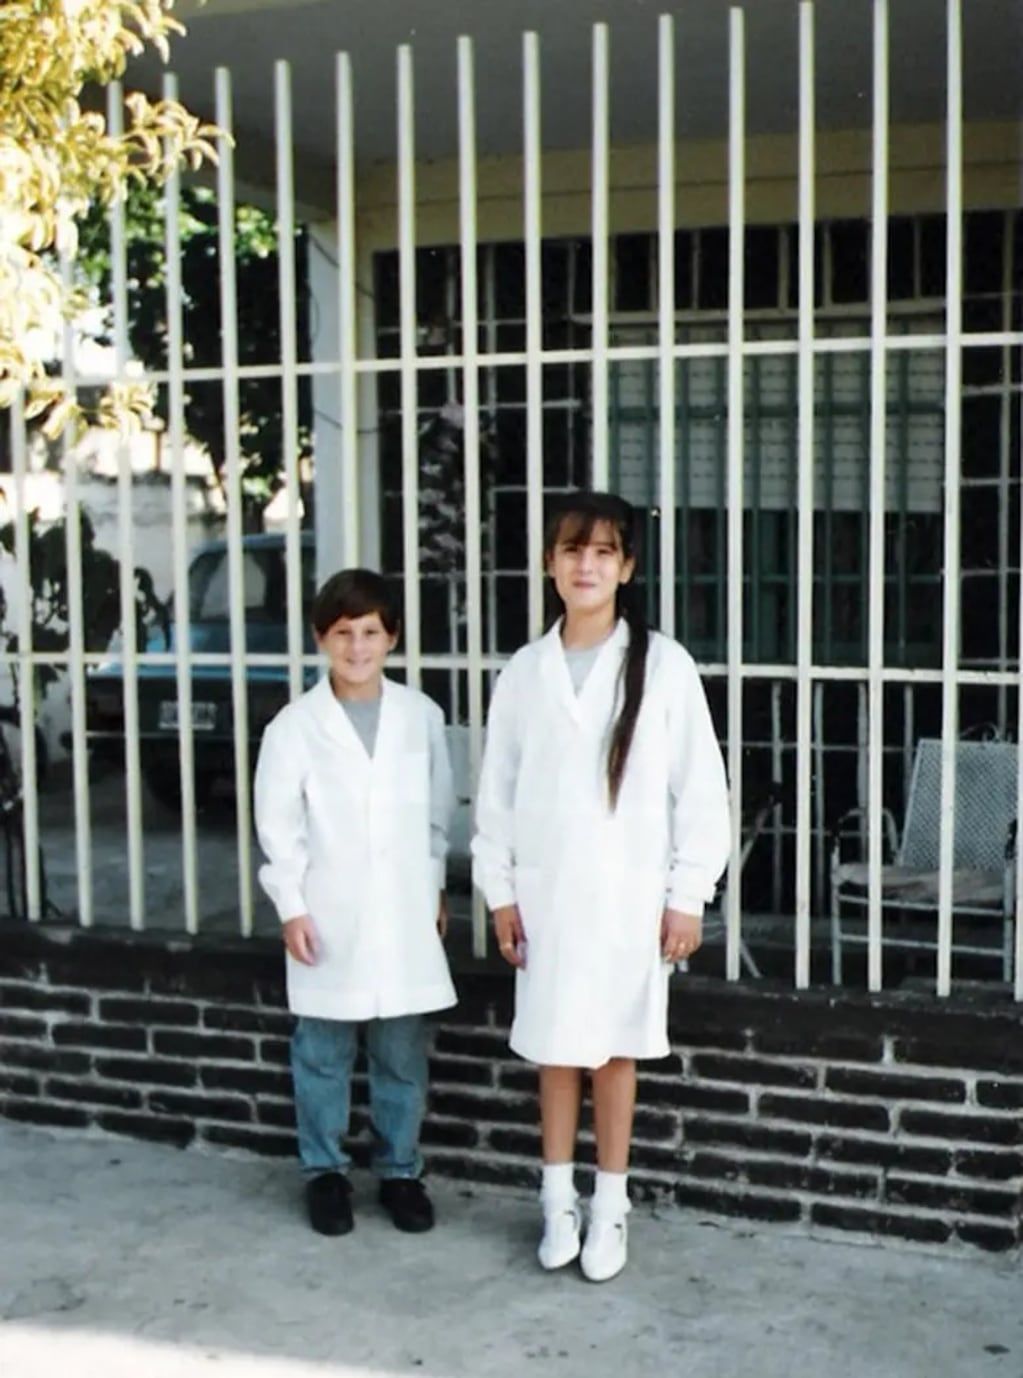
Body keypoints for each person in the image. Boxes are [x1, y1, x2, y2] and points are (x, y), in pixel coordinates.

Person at [471, 492, 730, 1282]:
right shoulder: (524, 671)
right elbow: (497, 794)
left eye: (603, 552)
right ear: (548, 563)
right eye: (571, 550)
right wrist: (501, 892)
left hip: (626, 898)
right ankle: (557, 1200)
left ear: (627, 567)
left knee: (615, 1052)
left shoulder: (664, 664)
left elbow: (701, 789)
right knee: (555, 1051)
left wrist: (687, 893)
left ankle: (609, 1206)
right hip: (547, 898)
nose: (586, 565)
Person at [254, 568, 456, 1237]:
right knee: (322, 1051)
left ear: (391, 637)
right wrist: (291, 906)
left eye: (371, 632)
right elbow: (278, 828)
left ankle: (400, 1170)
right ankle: (325, 1173)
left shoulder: (420, 717)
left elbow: (436, 817)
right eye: (344, 633)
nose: (358, 647)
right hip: (327, 912)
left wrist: (431, 890)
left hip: (403, 912)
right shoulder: (295, 727)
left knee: (401, 1052)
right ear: (321, 639)